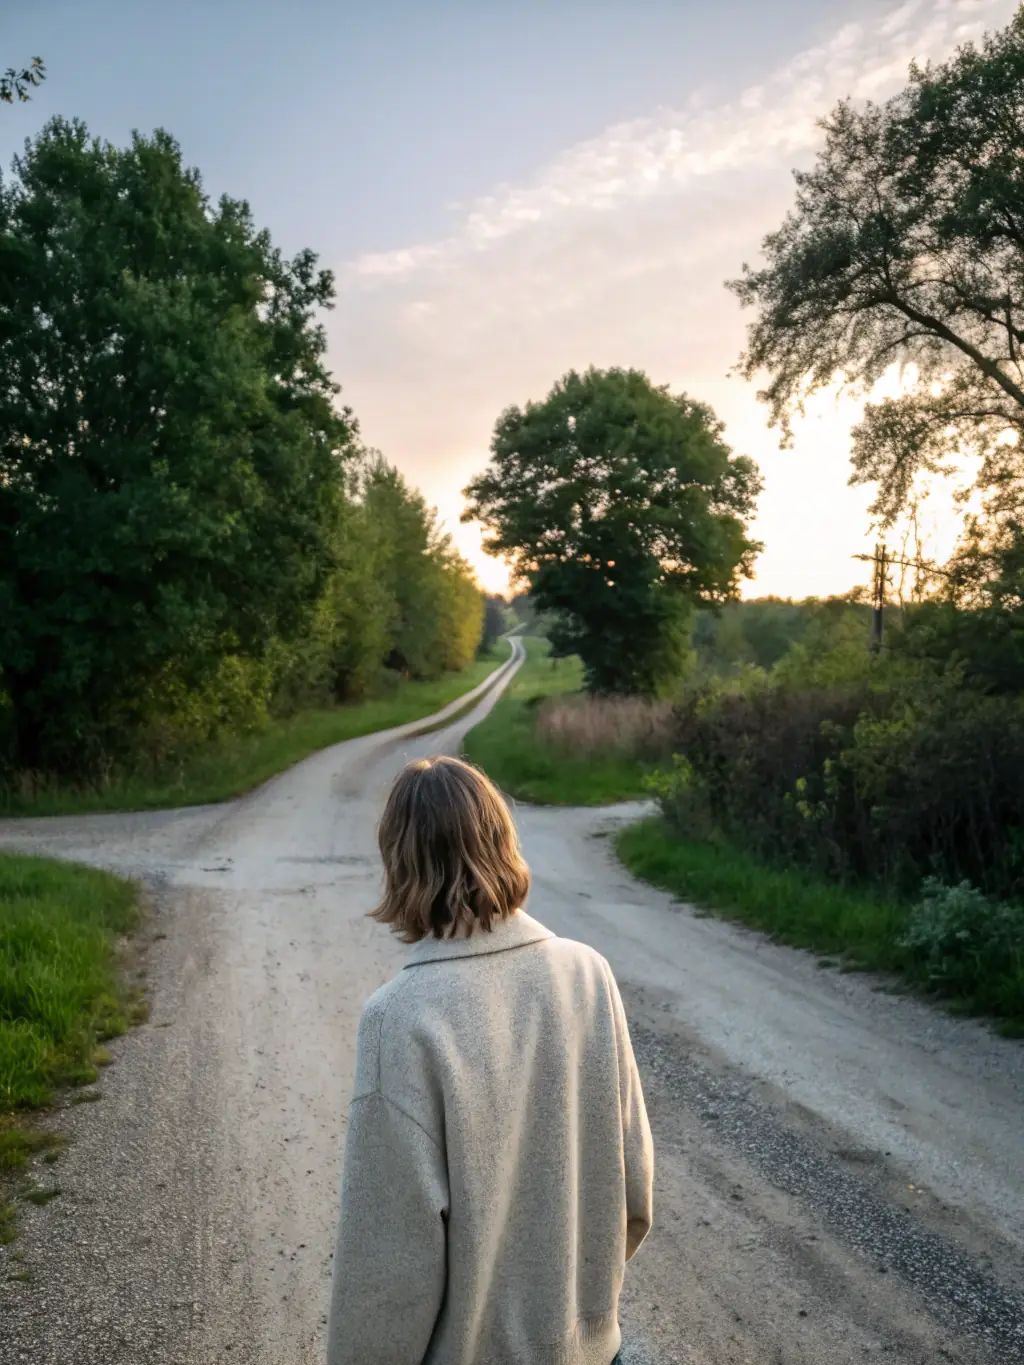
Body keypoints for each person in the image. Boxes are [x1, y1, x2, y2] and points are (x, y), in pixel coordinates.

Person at [326, 755, 654, 1365]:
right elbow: (632, 1193)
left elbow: (389, 1271)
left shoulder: (399, 1018)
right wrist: (564, 1305)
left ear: (399, 862)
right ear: (503, 840)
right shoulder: (588, 974)